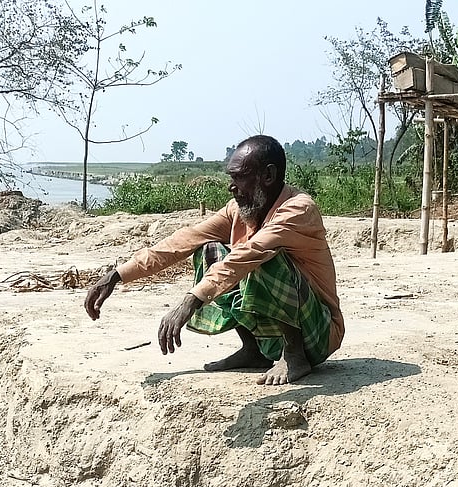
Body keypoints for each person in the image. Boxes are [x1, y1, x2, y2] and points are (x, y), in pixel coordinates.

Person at [83, 135, 344, 386]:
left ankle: (294, 355)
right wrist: (117, 275)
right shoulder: (239, 210)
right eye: (231, 177)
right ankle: (255, 350)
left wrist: (190, 300)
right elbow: (183, 241)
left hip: (317, 331)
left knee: (260, 258)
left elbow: (249, 255)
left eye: (240, 177)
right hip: (276, 327)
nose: (232, 187)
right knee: (209, 250)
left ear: (268, 175)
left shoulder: (299, 209)